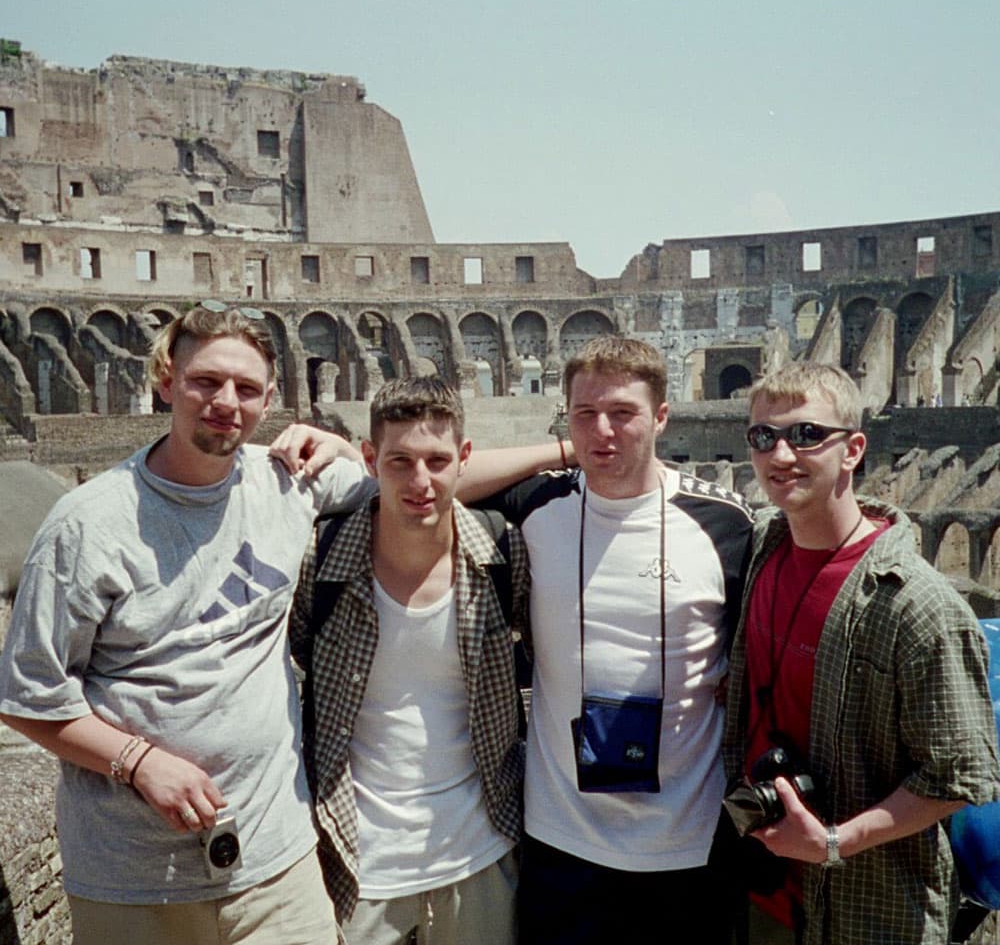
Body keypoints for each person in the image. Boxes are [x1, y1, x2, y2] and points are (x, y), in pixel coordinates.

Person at [0, 303, 561, 945]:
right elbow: (26, 696)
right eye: (205, 381)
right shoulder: (86, 525)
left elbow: (425, 478)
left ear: (271, 398)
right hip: (133, 870)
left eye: (245, 388)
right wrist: (138, 762)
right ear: (165, 381)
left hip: (278, 862)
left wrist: (574, 448)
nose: (225, 402)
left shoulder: (290, 484)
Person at [483, 335, 753, 945]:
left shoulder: (726, 525)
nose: (603, 432)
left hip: (687, 841)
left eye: (623, 414)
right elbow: (444, 474)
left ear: (661, 416)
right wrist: (560, 451)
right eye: (585, 414)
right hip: (561, 838)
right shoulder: (537, 505)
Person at [723, 360, 1000, 945]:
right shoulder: (762, 552)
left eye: (805, 435)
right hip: (761, 890)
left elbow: (960, 776)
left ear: (852, 450)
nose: (780, 455)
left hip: (870, 908)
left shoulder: (917, 604)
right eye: (762, 436)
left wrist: (833, 841)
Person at [288, 375, 529, 945]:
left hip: (481, 849)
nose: (420, 481)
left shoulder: (502, 555)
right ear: (369, 459)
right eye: (399, 461)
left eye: (437, 460)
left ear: (464, 459)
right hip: (357, 858)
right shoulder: (319, 563)